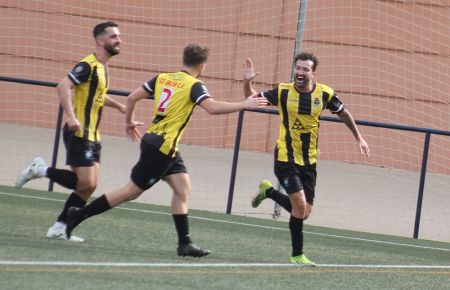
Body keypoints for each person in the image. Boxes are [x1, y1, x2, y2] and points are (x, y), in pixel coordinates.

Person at [64, 43, 268, 257]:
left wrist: (129, 122)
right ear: (203, 66)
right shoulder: (194, 85)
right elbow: (212, 108)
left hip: (161, 144)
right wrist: (244, 104)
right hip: (161, 147)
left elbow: (132, 97)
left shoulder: (162, 78)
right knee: (130, 191)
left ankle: (184, 244)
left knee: (182, 188)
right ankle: (78, 215)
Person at [243, 52, 370, 266]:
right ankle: (297, 255)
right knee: (300, 207)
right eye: (298, 68)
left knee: (304, 213)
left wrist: (359, 137)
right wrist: (247, 83)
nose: (300, 72)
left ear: (313, 73)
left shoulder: (325, 94)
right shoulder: (283, 91)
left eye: (305, 69)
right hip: (285, 157)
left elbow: (344, 113)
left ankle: (269, 192)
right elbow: (251, 101)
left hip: (309, 160)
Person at [15, 21, 126, 242]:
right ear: (100, 41)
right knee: (85, 183)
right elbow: (63, 86)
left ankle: (59, 227)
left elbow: (98, 97)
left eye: (119, 36)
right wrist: (71, 116)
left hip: (93, 135)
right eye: (114, 36)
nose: (119, 40)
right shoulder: (87, 65)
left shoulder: (103, 67)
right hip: (78, 132)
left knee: (90, 186)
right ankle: (40, 170)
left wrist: (121, 107)